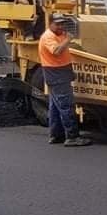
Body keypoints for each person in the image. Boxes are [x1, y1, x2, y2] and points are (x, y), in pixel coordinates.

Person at [38, 13, 91, 147]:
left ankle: (56, 135)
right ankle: (72, 137)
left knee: (55, 107)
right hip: (56, 75)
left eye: (62, 24)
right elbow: (56, 51)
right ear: (50, 24)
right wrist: (68, 39)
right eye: (57, 24)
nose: (61, 26)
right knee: (66, 105)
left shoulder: (60, 35)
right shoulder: (48, 37)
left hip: (60, 73)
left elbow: (67, 49)